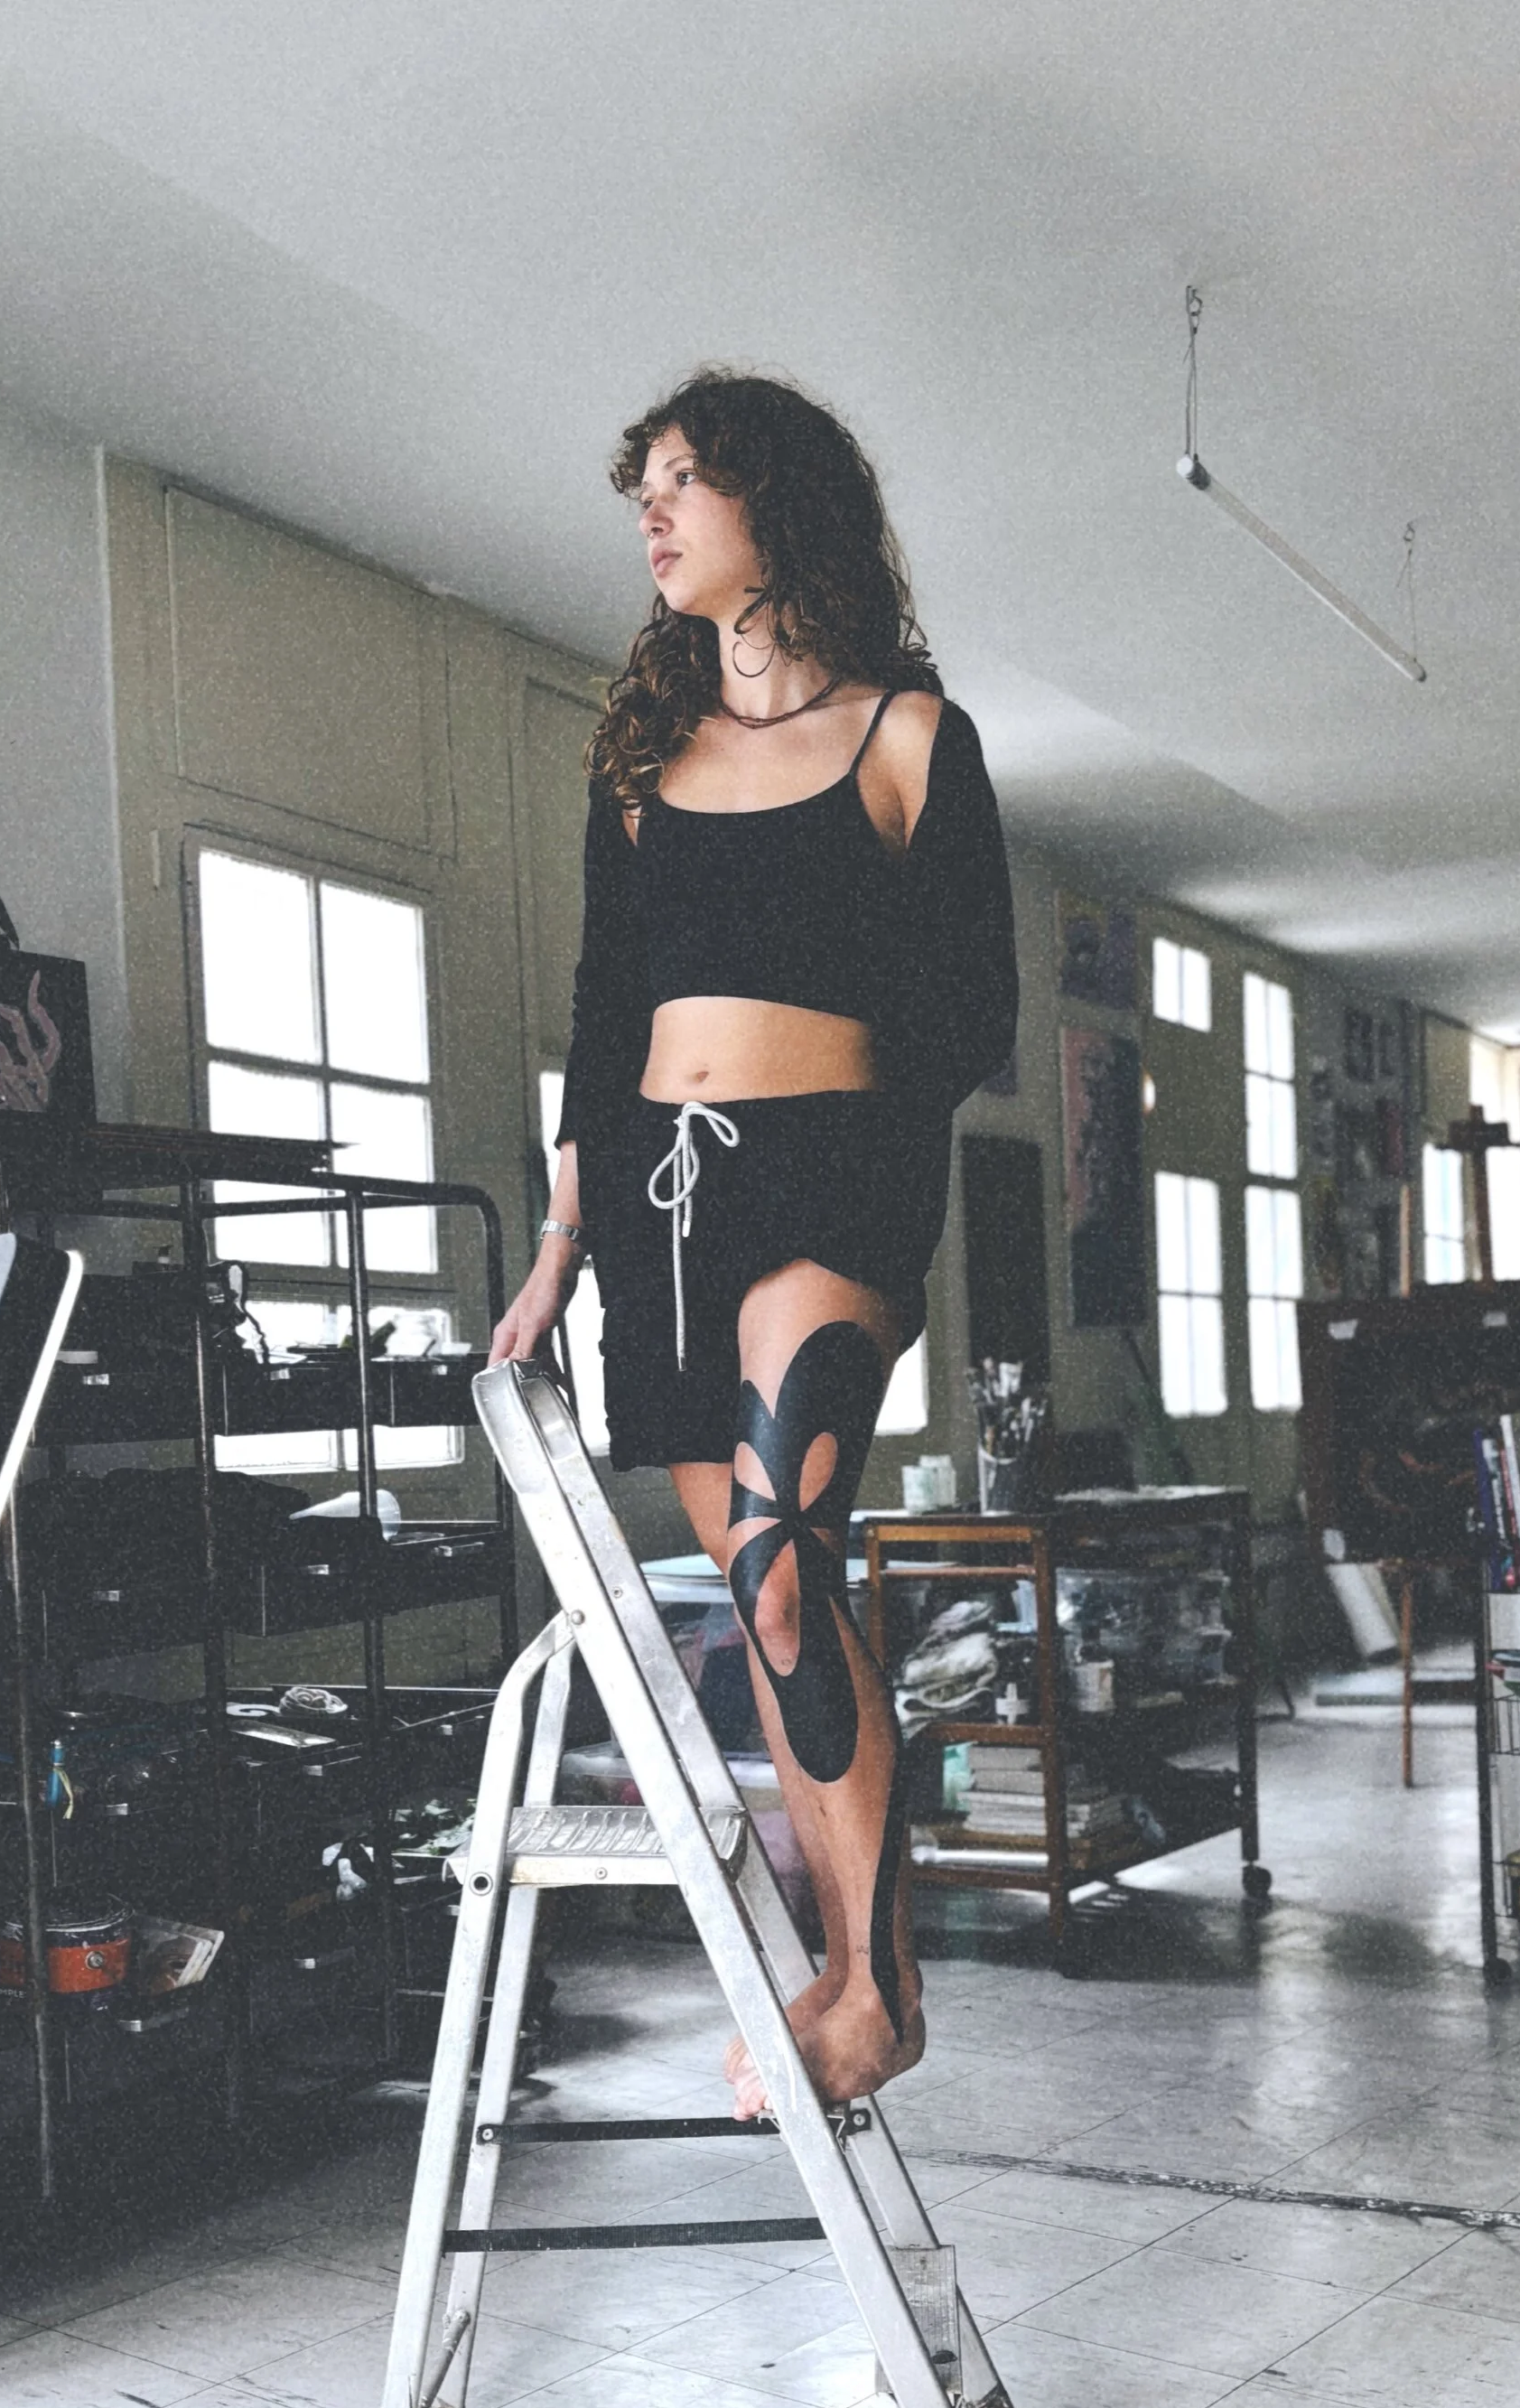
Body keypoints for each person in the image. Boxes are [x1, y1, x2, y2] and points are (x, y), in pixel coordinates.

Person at [489, 369, 1016, 2111]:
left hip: (827, 1193)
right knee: (766, 1602)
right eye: (639, 485)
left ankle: (882, 1984)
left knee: (789, 1553)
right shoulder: (641, 763)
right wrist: (563, 1240)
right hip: (654, 1209)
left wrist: (842, 1144)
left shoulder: (910, 739)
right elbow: (596, 1004)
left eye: (686, 481)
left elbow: (971, 1025)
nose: (651, 514)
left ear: (777, 506)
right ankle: (842, 1968)